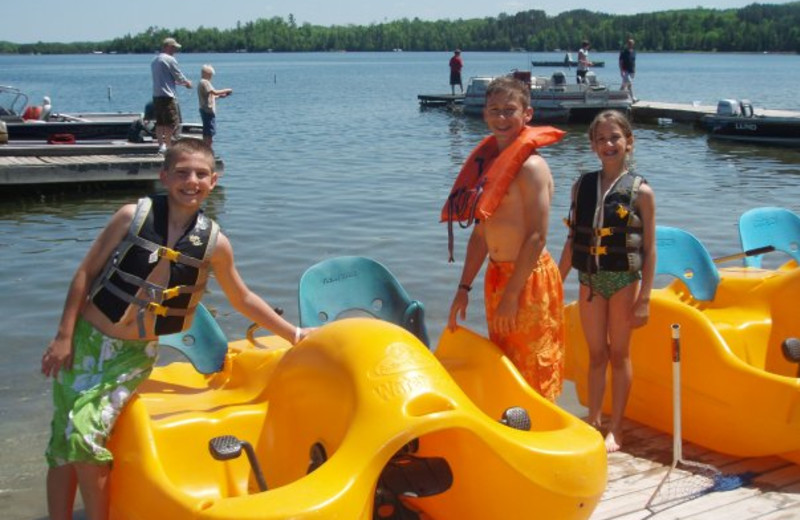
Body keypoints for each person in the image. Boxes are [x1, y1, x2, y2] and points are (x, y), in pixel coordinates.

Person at [40, 138, 312, 520]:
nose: (191, 181)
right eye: (182, 172)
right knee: (62, 442)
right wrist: (63, 336)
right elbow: (85, 273)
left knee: (84, 435)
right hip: (86, 340)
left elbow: (242, 297)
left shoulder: (215, 244)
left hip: (131, 356)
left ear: (213, 181)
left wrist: (294, 334)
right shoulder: (130, 217)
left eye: (201, 174)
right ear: (164, 175)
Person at [444, 76, 566, 402]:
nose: (501, 118)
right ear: (484, 114)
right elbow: (481, 236)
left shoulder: (531, 167)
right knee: (507, 364)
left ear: (527, 114)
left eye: (509, 110)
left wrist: (513, 294)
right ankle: (516, 430)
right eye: (494, 110)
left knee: (535, 365)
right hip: (496, 277)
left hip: (528, 278)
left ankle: (544, 438)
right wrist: (463, 289)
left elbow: (538, 236)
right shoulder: (489, 167)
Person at [558, 110, 656, 453]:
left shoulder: (642, 192)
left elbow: (649, 249)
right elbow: (573, 241)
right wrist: (557, 281)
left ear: (628, 142)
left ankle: (618, 428)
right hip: (590, 280)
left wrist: (644, 298)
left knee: (619, 354)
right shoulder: (581, 186)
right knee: (596, 354)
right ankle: (594, 419)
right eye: (601, 139)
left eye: (615, 137)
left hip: (624, 281)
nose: (608, 144)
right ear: (593, 145)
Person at [151, 37, 192, 153]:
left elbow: (165, 78)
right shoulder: (170, 59)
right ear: (168, 46)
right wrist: (187, 83)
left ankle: (161, 146)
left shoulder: (154, 60)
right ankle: (168, 146)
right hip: (168, 96)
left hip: (156, 95)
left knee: (160, 122)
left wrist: (178, 83)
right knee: (172, 122)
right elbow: (178, 75)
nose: (175, 50)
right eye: (173, 47)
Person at [198, 64, 233, 147]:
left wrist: (221, 96)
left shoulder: (201, 82)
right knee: (209, 133)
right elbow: (214, 92)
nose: (211, 77)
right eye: (210, 75)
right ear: (207, 74)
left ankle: (206, 148)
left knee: (207, 131)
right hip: (208, 110)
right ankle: (208, 149)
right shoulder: (205, 82)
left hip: (204, 109)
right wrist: (226, 90)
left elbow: (210, 96)